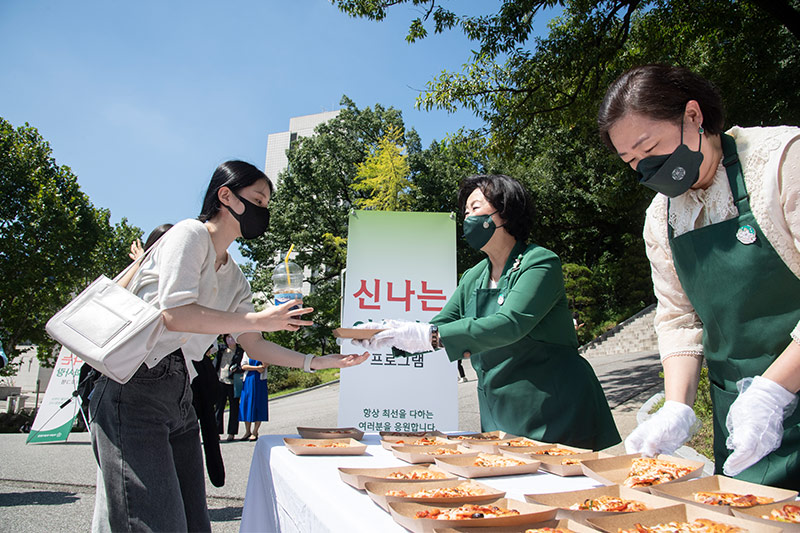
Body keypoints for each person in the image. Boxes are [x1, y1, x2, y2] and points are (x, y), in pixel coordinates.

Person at [89, 160, 369, 531]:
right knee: (157, 523)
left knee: (192, 523)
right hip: (134, 385)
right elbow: (175, 314)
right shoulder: (190, 234)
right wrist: (255, 319)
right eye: (257, 199)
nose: (263, 211)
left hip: (180, 391)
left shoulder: (236, 277)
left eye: (267, 204)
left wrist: (315, 362)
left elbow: (253, 343)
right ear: (225, 195)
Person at [598, 64, 800, 489]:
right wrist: (676, 407)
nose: (646, 170)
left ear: (693, 116)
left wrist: (771, 393)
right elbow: (678, 318)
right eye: (632, 161)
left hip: (769, 397)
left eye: (649, 148)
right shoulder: (662, 218)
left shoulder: (782, 160)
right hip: (742, 416)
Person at [355, 174, 620, 450]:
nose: (467, 217)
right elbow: (441, 325)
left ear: (504, 212)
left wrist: (427, 335)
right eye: (465, 211)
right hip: (500, 410)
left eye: (475, 208)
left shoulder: (539, 261)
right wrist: (389, 334)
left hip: (554, 407)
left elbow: (510, 324)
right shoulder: (474, 276)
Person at [215, 334, 244, 441]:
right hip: (221, 380)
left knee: (234, 407)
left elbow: (243, 366)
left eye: (232, 337)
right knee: (219, 407)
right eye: (228, 337)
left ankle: (232, 433)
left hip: (233, 382)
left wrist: (238, 369)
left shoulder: (240, 352)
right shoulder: (221, 349)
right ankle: (216, 432)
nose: (230, 340)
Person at [239, 352, 268, 441]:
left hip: (260, 381)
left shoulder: (264, 351)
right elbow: (243, 366)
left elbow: (265, 365)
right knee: (246, 404)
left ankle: (255, 431)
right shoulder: (246, 352)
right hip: (248, 380)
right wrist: (256, 368)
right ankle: (247, 431)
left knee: (258, 404)